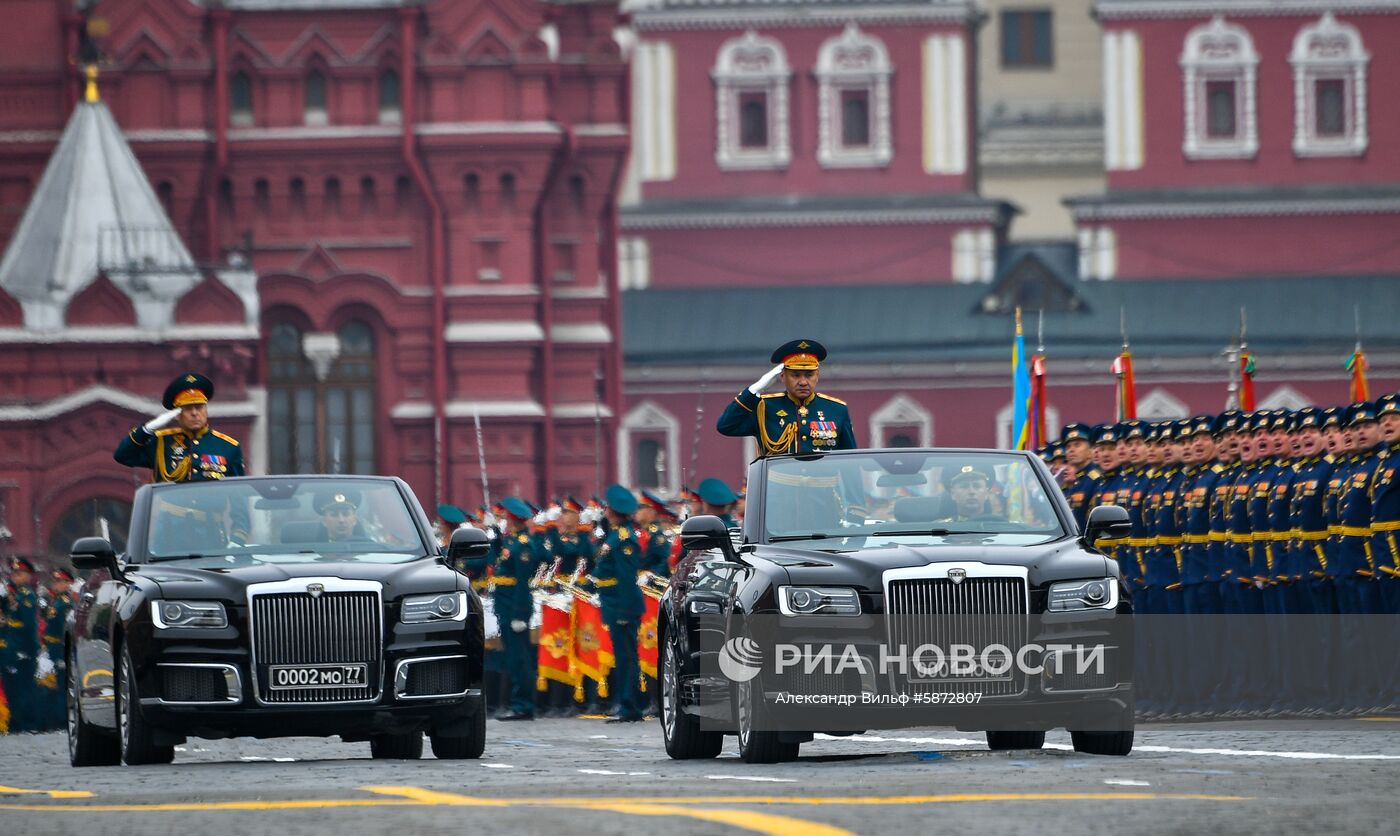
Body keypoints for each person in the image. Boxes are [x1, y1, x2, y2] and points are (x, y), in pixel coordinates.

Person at [716, 339, 857, 456]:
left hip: (823, 488)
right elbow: (725, 426)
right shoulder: (764, 407)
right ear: (782, 376)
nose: (803, 382)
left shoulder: (837, 409)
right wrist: (754, 389)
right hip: (779, 488)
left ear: (817, 376)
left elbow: (849, 459)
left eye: (809, 375)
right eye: (795, 375)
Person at [592, 484, 646, 723]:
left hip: (622, 605)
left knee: (626, 656)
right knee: (622, 656)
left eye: (607, 508)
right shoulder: (615, 535)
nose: (604, 511)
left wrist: (624, 609)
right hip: (613, 603)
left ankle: (630, 705)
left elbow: (626, 578)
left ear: (612, 511)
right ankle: (625, 703)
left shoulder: (624, 538)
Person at [493, 497, 544, 721]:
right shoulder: (512, 542)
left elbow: (522, 583)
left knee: (520, 659)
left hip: (515, 607)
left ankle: (523, 705)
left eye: (506, 518)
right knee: (513, 658)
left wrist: (519, 614)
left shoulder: (523, 545)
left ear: (513, 520)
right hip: (505, 606)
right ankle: (519, 703)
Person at [0, 557, 41, 733]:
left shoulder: (26, 596)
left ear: (28, 576)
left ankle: (28, 724)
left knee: (25, 688)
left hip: (22, 649)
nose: (15, 576)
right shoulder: (15, 595)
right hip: (11, 649)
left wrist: (27, 649)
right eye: (14, 573)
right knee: (12, 688)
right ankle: (16, 723)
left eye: (19, 573)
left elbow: (29, 625)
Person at [39, 568, 74, 730]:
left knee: (60, 687)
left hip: (59, 648)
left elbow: (64, 629)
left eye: (61, 582)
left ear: (68, 584)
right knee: (50, 686)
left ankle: (61, 721)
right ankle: (51, 720)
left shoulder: (66, 603)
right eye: (56, 581)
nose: (57, 585)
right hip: (51, 648)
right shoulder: (56, 601)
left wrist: (62, 655)